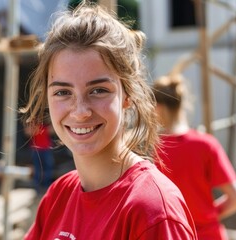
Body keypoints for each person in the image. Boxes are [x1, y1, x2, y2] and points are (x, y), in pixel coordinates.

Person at [20, 3, 198, 239]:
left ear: (128, 95)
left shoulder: (152, 210)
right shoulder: (58, 196)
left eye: (98, 91)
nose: (80, 111)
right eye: (63, 92)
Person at [153, 74, 236, 240]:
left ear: (157, 108)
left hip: (172, 234)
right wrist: (207, 215)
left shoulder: (151, 149)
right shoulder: (205, 144)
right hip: (210, 234)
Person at [24, 123, 55, 192]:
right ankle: (37, 187)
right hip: (36, 150)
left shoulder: (46, 126)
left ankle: (47, 186)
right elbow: (27, 132)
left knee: (48, 168)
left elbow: (52, 131)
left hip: (46, 149)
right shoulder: (33, 125)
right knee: (37, 169)